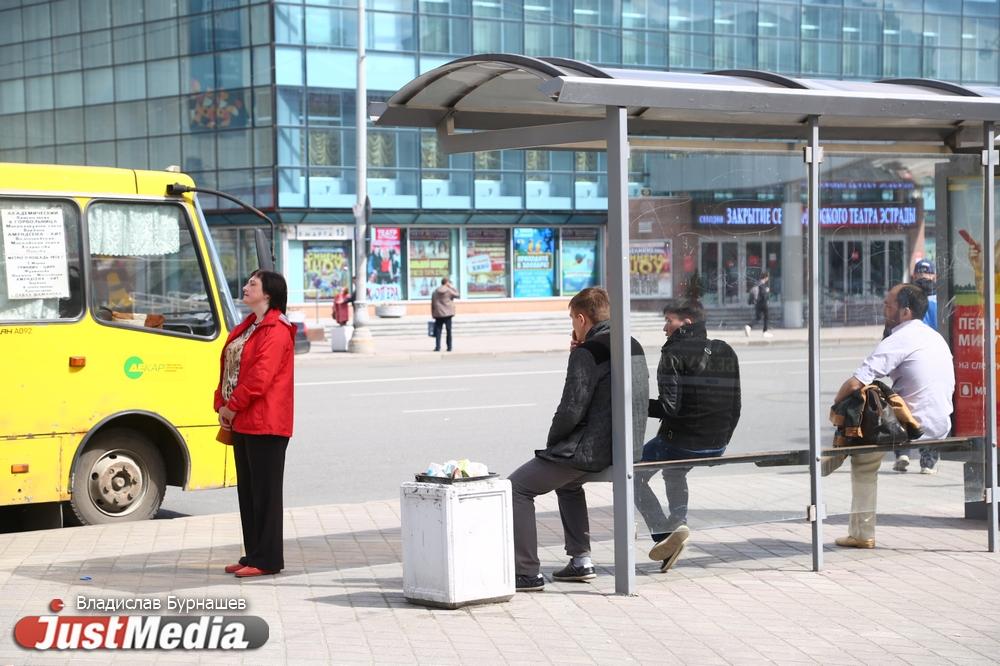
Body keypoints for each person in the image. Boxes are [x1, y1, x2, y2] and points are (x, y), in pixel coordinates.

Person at [508, 288, 649, 591]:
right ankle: (580, 561)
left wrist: (553, 445)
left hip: (590, 450)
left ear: (582, 319)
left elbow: (571, 408)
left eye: (573, 320)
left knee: (515, 488)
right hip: (624, 446)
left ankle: (527, 573)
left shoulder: (589, 352)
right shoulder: (632, 344)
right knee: (568, 485)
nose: (573, 327)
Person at [832, 283, 954, 549]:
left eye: (888, 305)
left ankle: (862, 534)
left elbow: (858, 381)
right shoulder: (934, 336)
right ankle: (835, 457)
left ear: (905, 312)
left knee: (862, 454)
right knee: (871, 400)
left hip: (914, 426)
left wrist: (835, 405)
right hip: (941, 423)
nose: (883, 309)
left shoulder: (900, 339)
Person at [636, 298, 741, 572]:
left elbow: (669, 408)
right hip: (716, 444)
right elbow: (736, 405)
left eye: (669, 321)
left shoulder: (673, 352)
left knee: (632, 474)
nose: (664, 328)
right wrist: (721, 440)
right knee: (674, 472)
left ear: (687, 323)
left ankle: (663, 534)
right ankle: (677, 524)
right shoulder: (725, 349)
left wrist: (634, 402)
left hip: (683, 443)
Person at [214, 270, 296, 577]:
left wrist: (232, 407)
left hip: (266, 421)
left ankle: (269, 559)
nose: (246, 287)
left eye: (253, 284)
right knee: (248, 492)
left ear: (268, 294)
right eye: (247, 281)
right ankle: (253, 555)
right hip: (243, 419)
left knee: (266, 494)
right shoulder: (249, 325)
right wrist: (220, 404)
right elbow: (230, 367)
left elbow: (260, 377)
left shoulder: (276, 329)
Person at [893, 259, 940, 474]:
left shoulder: (906, 298)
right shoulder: (937, 299)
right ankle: (923, 459)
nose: (924, 276)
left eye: (926, 272)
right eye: (922, 272)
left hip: (913, 358)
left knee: (904, 404)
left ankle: (908, 453)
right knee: (927, 409)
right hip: (928, 359)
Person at [431, 277, 459, 352]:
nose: (450, 284)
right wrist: (452, 287)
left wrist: (433, 314)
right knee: (448, 331)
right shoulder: (449, 291)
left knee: (438, 331)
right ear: (447, 283)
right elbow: (457, 295)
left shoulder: (435, 292)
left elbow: (433, 303)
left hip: (438, 314)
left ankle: (437, 347)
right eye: (449, 282)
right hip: (448, 314)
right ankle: (449, 347)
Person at [744, 272, 772, 338]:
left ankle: (749, 326)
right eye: (767, 277)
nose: (768, 278)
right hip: (763, 303)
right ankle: (765, 332)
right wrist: (767, 291)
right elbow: (763, 293)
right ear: (766, 277)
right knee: (766, 317)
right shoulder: (762, 284)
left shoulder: (757, 283)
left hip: (757, 303)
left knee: (758, 318)